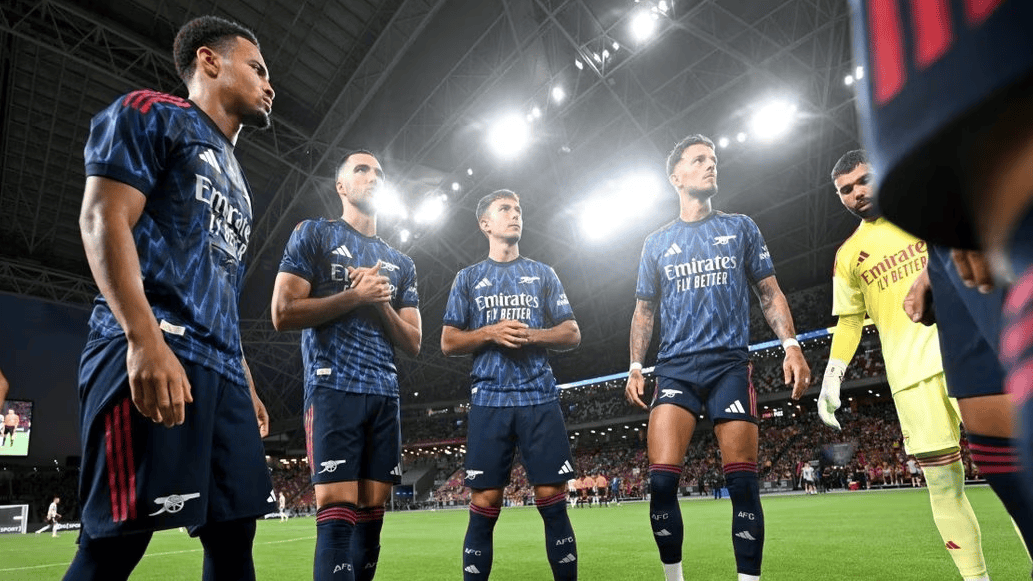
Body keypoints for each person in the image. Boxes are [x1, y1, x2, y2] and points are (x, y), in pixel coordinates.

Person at [64, 16, 276, 581]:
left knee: (235, 537)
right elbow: (102, 217)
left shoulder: (239, 181)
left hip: (222, 373)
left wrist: (245, 380)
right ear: (209, 60)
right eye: (257, 69)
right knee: (116, 543)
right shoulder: (152, 112)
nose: (269, 85)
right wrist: (143, 338)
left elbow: (220, 286)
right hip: (155, 346)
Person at [625, 134, 810, 581]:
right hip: (675, 368)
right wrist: (635, 365)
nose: (711, 165)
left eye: (713, 159)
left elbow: (769, 292)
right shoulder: (656, 242)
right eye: (699, 160)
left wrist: (791, 344)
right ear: (676, 177)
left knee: (742, 483)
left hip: (729, 365)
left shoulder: (741, 227)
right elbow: (644, 311)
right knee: (661, 482)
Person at [817, 150, 994, 581]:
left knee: (1015, 467)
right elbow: (850, 320)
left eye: (864, 180)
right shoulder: (848, 255)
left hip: (970, 349)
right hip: (909, 377)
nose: (857, 193)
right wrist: (832, 376)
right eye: (846, 190)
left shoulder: (926, 209)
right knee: (943, 485)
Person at [272, 149, 421, 581]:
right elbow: (282, 312)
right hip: (333, 388)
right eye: (361, 169)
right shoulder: (315, 234)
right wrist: (355, 296)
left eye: (379, 172)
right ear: (341, 185)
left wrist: (379, 303)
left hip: (384, 394)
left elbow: (413, 341)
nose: (373, 176)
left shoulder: (402, 263)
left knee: (372, 520)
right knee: (337, 515)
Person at [442, 189, 581, 581]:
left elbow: (572, 332)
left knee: (552, 499)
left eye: (519, 209)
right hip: (489, 399)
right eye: (505, 209)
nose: (515, 214)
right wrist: (490, 332)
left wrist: (530, 335)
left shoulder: (543, 273)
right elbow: (448, 341)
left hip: (539, 396)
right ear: (485, 223)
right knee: (485, 502)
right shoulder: (468, 278)